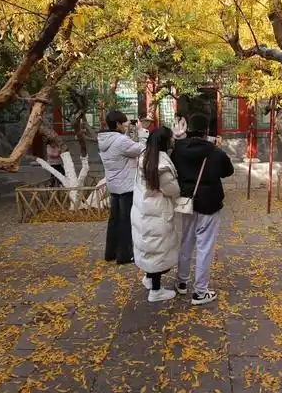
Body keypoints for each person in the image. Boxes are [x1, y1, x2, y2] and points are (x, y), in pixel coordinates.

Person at [172, 113, 234, 306]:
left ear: (189, 129)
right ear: (207, 131)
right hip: (209, 203)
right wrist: (219, 150)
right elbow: (228, 171)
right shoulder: (214, 152)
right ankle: (200, 291)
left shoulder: (178, 149)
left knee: (186, 241)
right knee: (204, 247)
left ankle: (181, 281)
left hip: (187, 202)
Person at [131, 127, 181, 302]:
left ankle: (148, 278)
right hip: (157, 212)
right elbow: (172, 189)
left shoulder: (145, 156)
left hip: (143, 210)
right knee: (158, 250)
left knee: (149, 247)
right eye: (171, 139)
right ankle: (156, 290)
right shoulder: (161, 165)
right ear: (165, 142)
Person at [98, 110, 147, 265]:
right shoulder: (121, 141)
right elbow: (142, 149)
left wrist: (128, 134)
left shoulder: (105, 139)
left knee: (114, 220)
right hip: (126, 186)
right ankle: (125, 255)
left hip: (114, 185)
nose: (126, 124)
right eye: (124, 122)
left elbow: (124, 149)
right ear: (117, 123)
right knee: (126, 220)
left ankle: (111, 252)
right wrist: (142, 132)